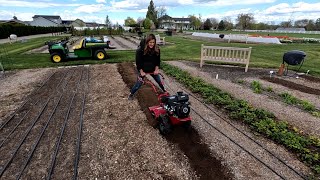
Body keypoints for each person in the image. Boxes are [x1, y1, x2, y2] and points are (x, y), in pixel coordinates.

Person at [128, 34, 165, 100]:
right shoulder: (140, 50)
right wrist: (141, 71)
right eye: (150, 42)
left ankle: (164, 91)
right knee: (139, 83)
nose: (152, 44)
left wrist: (156, 69)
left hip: (152, 69)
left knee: (159, 81)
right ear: (147, 42)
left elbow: (158, 61)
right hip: (142, 69)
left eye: (153, 42)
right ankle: (131, 94)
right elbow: (138, 62)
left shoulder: (157, 49)